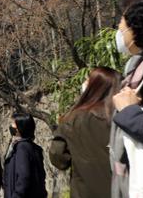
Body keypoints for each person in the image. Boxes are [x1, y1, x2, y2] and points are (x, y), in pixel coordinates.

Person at [110, 0, 143, 197]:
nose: (120, 28)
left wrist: (130, 111)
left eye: (124, 24)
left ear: (140, 28)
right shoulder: (139, 72)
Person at [49, 67, 121, 198]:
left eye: (88, 79)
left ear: (93, 86)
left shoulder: (73, 118)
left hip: (84, 192)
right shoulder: (126, 115)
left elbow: (57, 157)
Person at [3, 113, 47, 198]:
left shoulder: (22, 148)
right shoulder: (34, 148)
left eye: (13, 124)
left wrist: (16, 196)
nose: (11, 127)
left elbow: (24, 177)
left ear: (20, 128)